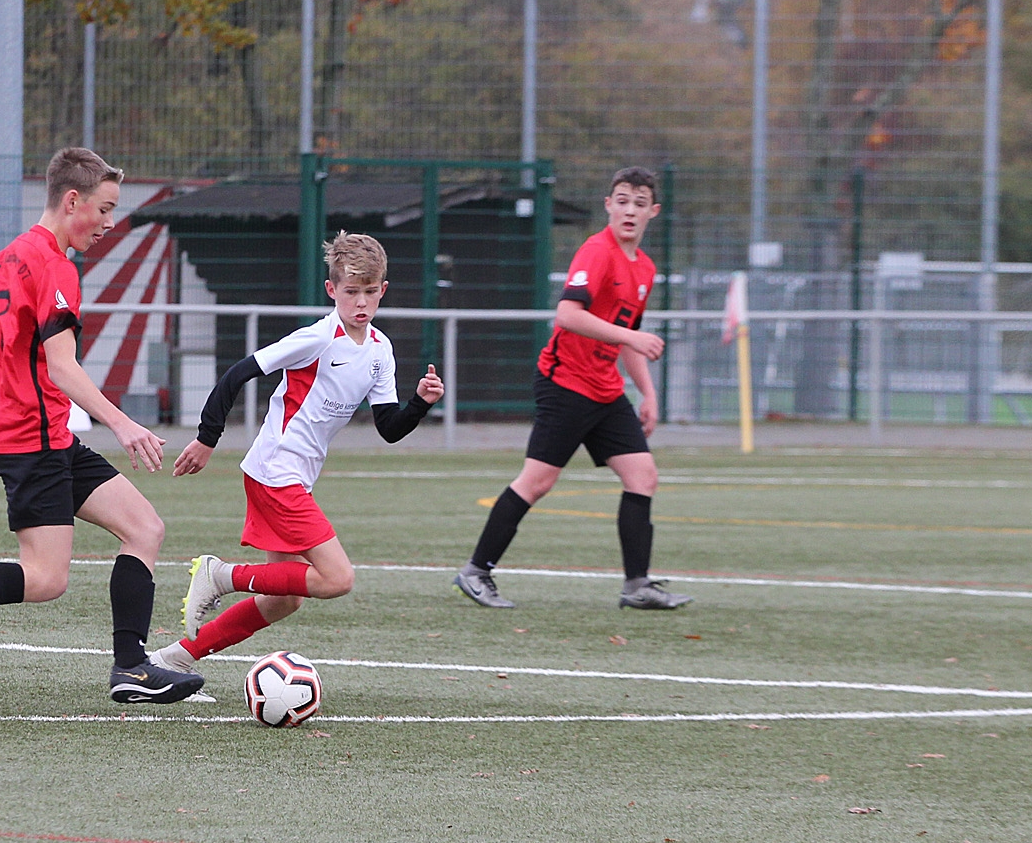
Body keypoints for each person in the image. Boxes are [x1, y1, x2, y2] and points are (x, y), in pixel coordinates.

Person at [0, 147, 202, 705]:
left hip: (50, 435)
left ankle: (132, 668)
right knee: (44, 579)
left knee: (144, 528)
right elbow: (62, 366)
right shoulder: (55, 267)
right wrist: (123, 424)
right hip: (31, 440)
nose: (109, 224)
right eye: (104, 209)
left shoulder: (7, 258)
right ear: (72, 201)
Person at [152, 231, 443, 689]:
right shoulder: (317, 338)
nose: (361, 302)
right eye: (351, 291)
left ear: (383, 289)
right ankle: (220, 574)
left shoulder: (379, 349)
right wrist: (208, 439)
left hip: (293, 477)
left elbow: (389, 427)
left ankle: (175, 659)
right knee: (337, 578)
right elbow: (237, 374)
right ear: (331, 290)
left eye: (370, 291)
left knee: (284, 599)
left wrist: (421, 403)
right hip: (276, 472)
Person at [453, 166, 691, 611]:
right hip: (565, 384)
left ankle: (637, 585)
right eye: (623, 201)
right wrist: (631, 337)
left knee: (643, 477)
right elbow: (567, 315)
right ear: (609, 205)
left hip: (605, 390)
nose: (630, 210)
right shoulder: (596, 252)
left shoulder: (645, 268)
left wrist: (649, 394)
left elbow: (626, 338)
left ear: (653, 212)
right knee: (537, 482)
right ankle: (476, 571)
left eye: (640, 204)